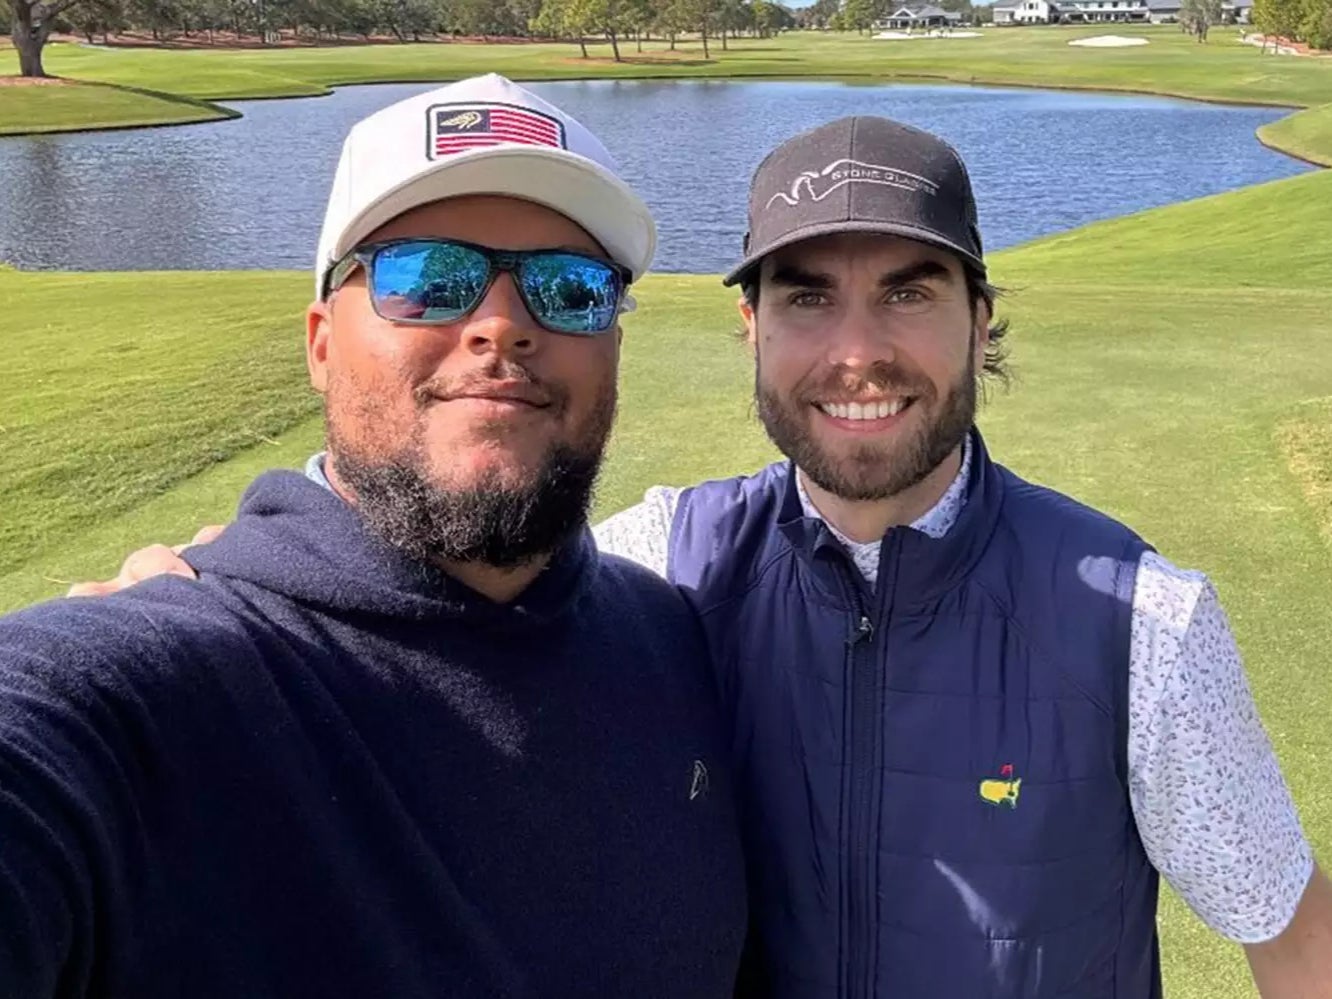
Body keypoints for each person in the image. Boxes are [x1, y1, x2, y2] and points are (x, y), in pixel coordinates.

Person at [73, 118, 1332, 997]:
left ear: (980, 319)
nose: (856, 352)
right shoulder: (659, 566)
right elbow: (431, 596)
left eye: (909, 290)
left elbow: (1289, 932)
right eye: (804, 296)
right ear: (748, 325)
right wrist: (218, 586)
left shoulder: (1140, 622)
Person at [0, 74, 747, 997]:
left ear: (614, 347)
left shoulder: (675, 639)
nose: (504, 326)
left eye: (571, 287)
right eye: (426, 278)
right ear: (320, 343)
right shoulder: (151, 687)